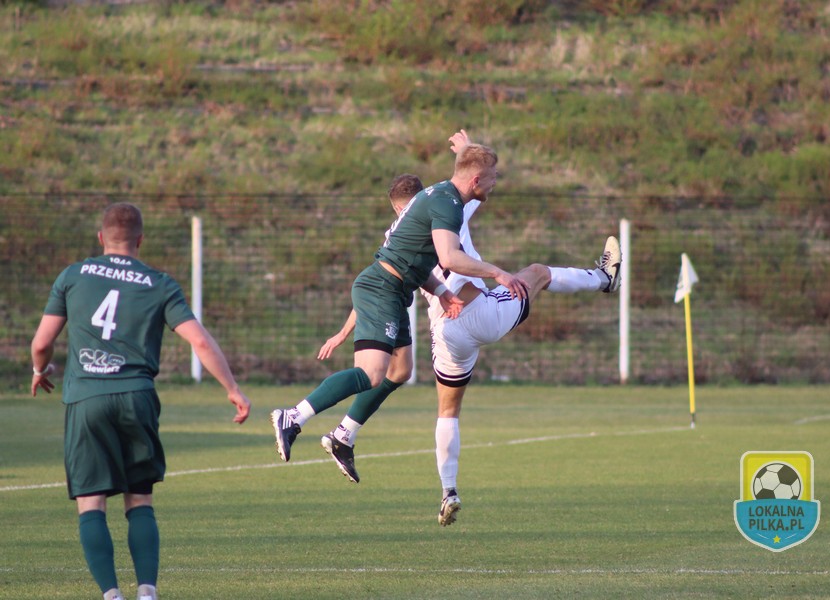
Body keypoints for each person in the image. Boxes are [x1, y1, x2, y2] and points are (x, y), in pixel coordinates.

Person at [317, 131, 622, 526]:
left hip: (446, 333)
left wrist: (344, 331)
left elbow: (378, 287)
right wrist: (465, 152)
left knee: (447, 409)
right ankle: (604, 279)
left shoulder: (397, 236)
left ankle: (448, 491)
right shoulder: (445, 211)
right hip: (479, 314)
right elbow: (467, 187)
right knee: (538, 274)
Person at [270, 140, 529, 484]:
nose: (496, 182)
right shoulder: (447, 203)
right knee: (370, 373)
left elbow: (419, 262)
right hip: (382, 289)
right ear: (476, 179)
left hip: (394, 290)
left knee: (400, 370)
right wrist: (497, 273)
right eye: (493, 176)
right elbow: (449, 258)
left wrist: (442, 292)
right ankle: (293, 416)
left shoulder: (441, 197)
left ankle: (344, 436)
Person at [30, 203, 252, 600]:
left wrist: (39, 369)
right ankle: (147, 591)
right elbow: (200, 341)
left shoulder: (73, 275)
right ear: (140, 240)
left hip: (86, 399)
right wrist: (232, 388)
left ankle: (111, 594)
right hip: (137, 397)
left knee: (91, 502)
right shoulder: (159, 283)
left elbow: (42, 342)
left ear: (101, 237)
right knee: (140, 499)